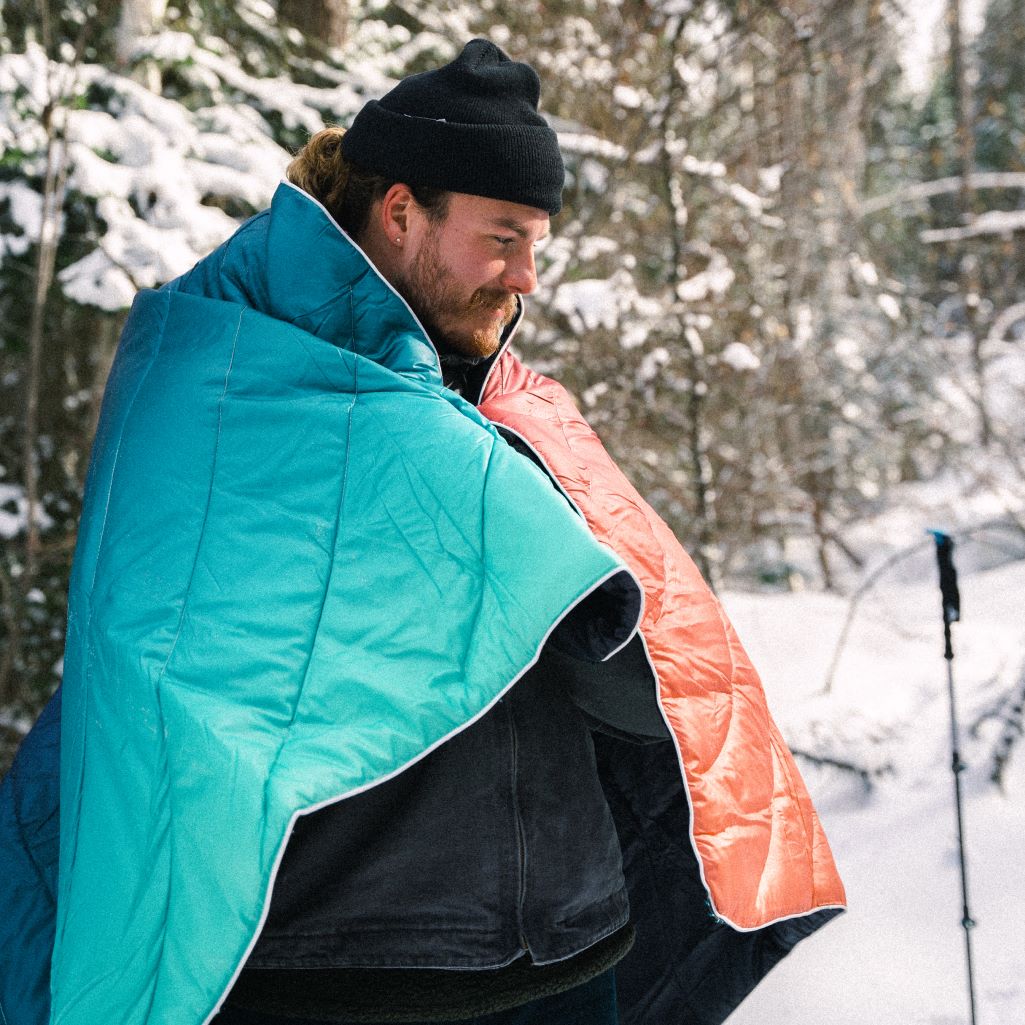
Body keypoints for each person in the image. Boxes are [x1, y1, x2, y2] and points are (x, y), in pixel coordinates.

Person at [0, 40, 845, 1025]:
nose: (525, 276)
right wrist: (526, 568)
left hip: (567, 951)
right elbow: (167, 670)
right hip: (336, 971)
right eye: (501, 238)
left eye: (537, 242)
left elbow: (631, 658)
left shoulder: (499, 406)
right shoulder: (228, 368)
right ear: (401, 211)